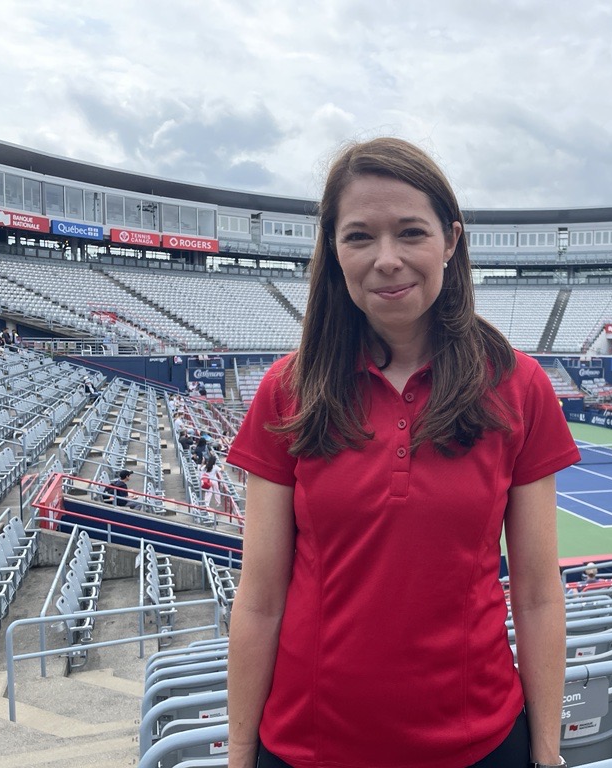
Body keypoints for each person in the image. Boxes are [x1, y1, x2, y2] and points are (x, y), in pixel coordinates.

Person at [224, 138, 580, 768]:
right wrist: (239, 754)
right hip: (307, 748)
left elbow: (536, 592)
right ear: (333, 252)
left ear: (451, 240)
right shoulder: (286, 389)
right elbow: (260, 596)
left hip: (481, 746)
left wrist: (547, 752)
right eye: (359, 237)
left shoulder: (521, 387)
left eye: (411, 232)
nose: (387, 259)